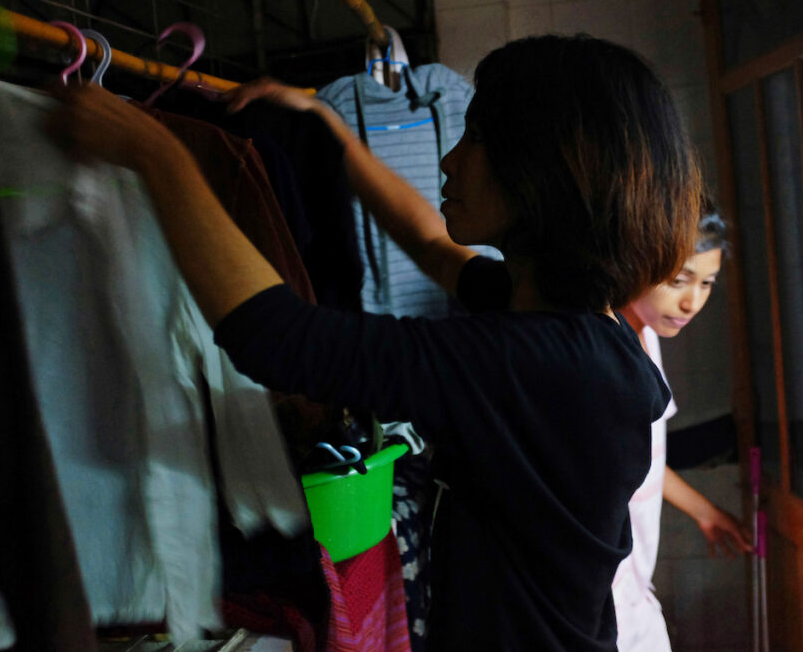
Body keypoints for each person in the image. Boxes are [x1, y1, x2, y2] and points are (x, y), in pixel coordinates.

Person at [46, 34, 703, 651]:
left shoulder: (536, 363)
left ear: (540, 175)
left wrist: (156, 154)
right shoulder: (582, 332)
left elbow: (276, 338)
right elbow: (431, 244)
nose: (450, 159)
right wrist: (329, 132)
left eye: (475, 138)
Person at [614, 210, 752, 651]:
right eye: (679, 280)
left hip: (632, 586)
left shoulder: (647, 335)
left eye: (706, 283)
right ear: (634, 262)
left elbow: (648, 462)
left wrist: (704, 512)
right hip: (601, 593)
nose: (693, 302)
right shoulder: (604, 354)